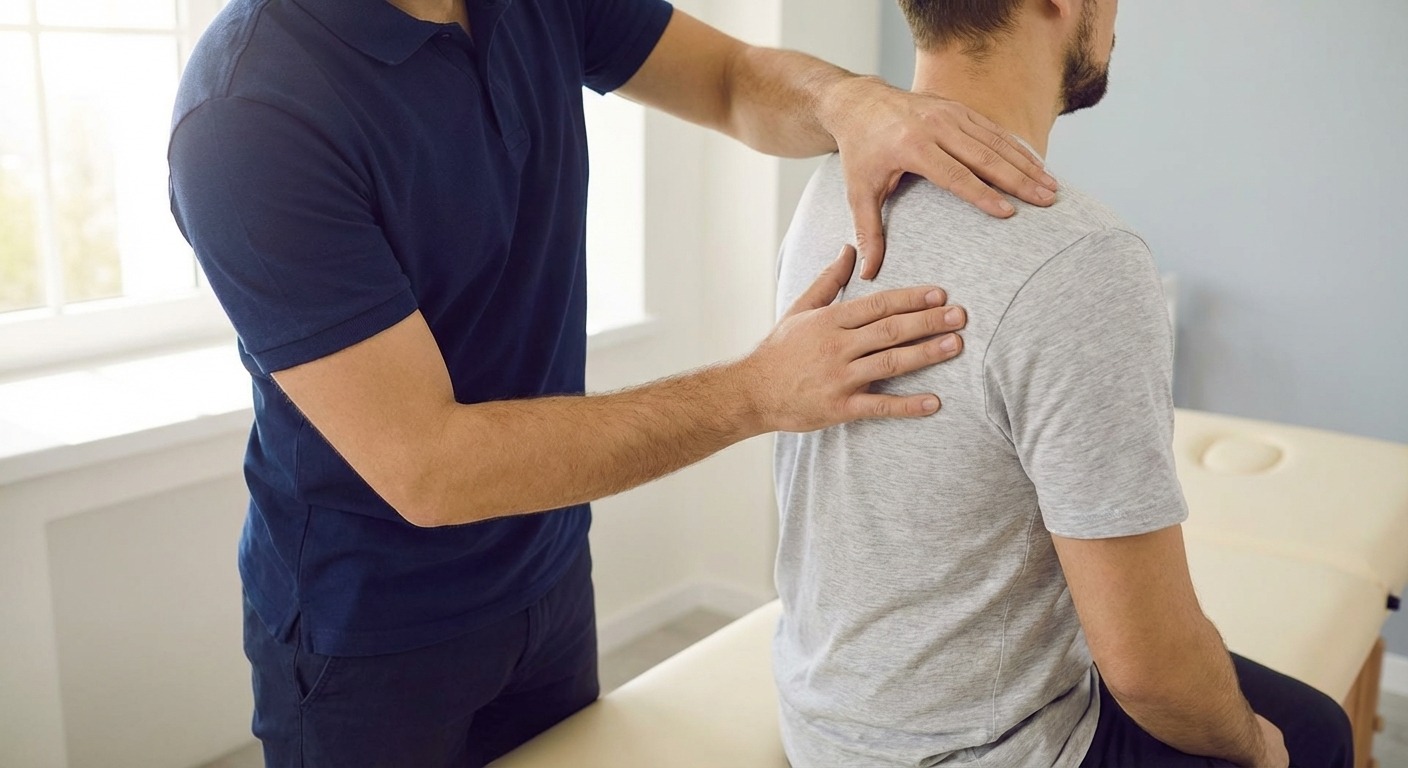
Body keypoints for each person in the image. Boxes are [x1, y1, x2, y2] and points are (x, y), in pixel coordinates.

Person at [167, 0, 1062, 764]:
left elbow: (730, 79)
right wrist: (757, 391)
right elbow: (431, 469)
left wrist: (850, 101)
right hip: (367, 634)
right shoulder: (246, 116)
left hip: (548, 575)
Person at [772, 1, 1354, 766]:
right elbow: (1151, 672)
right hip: (980, 751)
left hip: (822, 721)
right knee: (1311, 737)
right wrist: (1258, 749)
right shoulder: (1080, 261)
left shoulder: (833, 185)